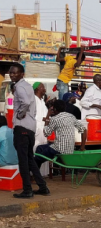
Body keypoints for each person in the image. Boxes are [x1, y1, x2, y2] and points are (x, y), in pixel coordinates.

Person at [9, 63, 49, 198]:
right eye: (11, 73)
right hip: (31, 127)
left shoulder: (19, 87)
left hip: (22, 127)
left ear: (22, 74)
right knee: (29, 159)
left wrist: (20, 114)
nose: (12, 75)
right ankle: (42, 187)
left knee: (23, 160)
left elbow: (25, 102)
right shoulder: (28, 86)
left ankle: (27, 190)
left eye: (15, 73)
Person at [34, 100, 87, 169]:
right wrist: (82, 147)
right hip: (70, 148)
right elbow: (84, 130)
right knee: (39, 148)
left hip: (58, 149)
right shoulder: (71, 116)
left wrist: (47, 116)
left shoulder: (54, 119)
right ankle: (36, 174)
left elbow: (46, 133)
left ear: (54, 109)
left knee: (36, 158)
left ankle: (34, 174)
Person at [33, 82, 49, 177]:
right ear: (38, 88)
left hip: (44, 129)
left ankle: (42, 174)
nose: (45, 89)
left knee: (43, 150)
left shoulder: (42, 101)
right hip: (37, 129)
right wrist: (48, 119)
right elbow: (37, 116)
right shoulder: (34, 100)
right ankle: (34, 174)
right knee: (36, 150)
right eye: (43, 87)